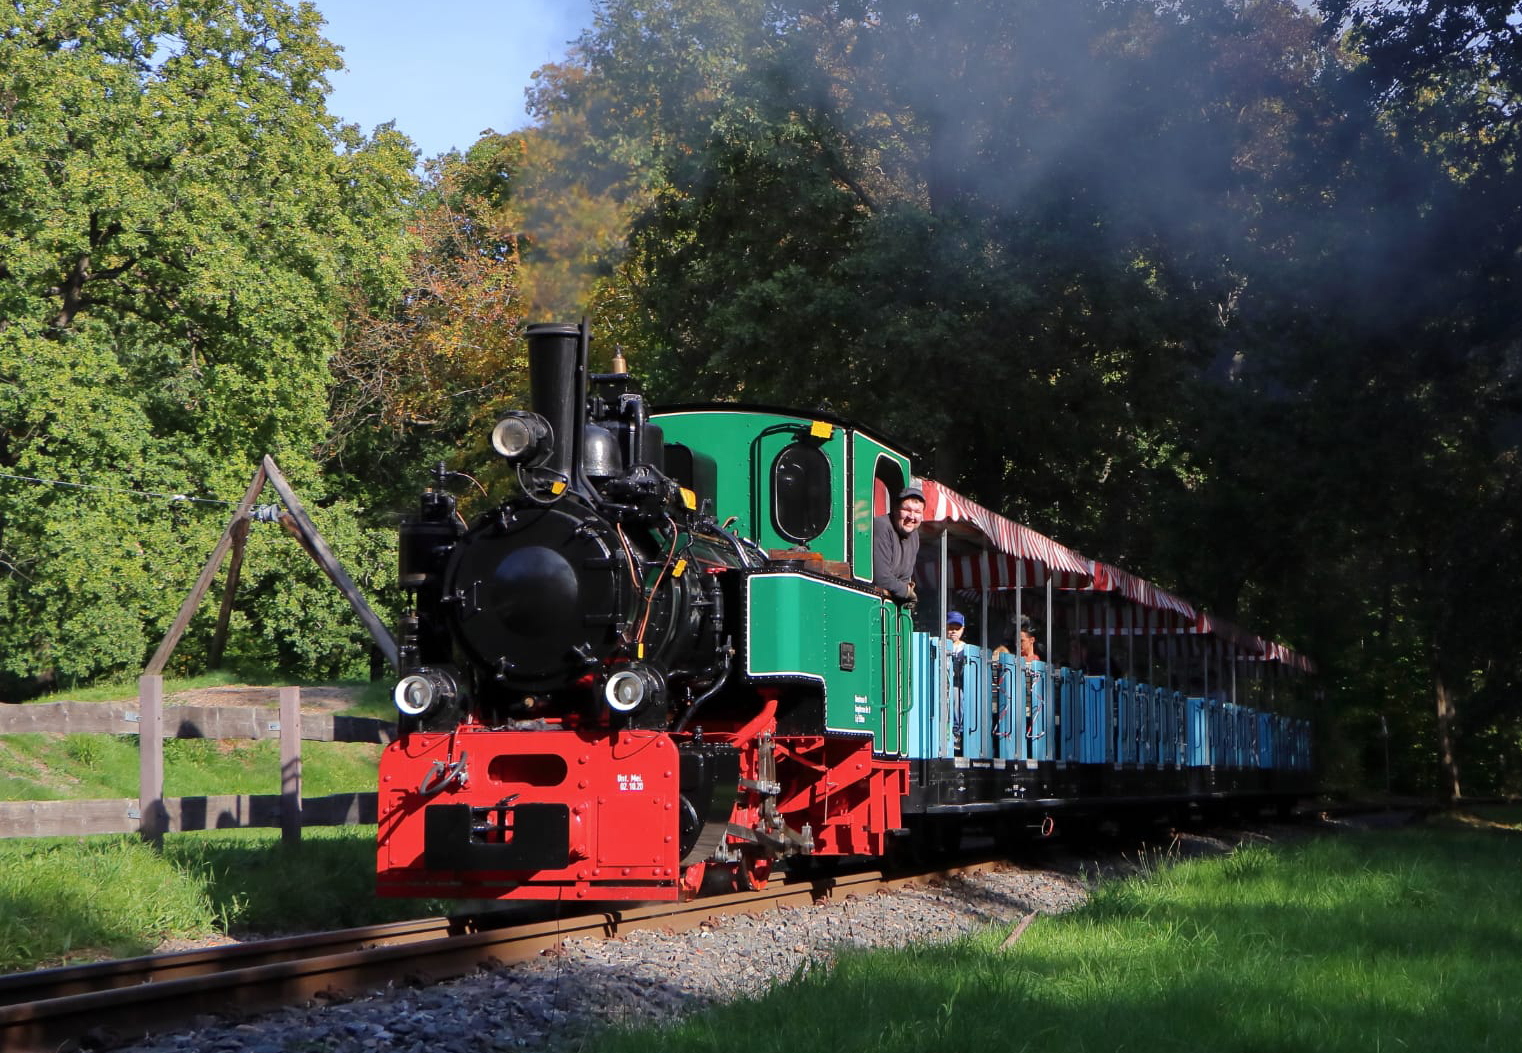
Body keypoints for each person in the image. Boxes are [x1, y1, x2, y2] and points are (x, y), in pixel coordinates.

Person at [871, 485, 924, 603]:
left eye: (917, 512)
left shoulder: (914, 536)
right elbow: (881, 578)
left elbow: (905, 577)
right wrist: (907, 592)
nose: (911, 517)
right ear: (895, 509)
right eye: (906, 510)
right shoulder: (882, 526)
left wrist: (904, 590)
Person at [936, 611, 969, 753]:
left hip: (956, 686)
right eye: (950, 627)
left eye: (957, 627)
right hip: (939, 685)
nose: (953, 631)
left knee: (956, 695)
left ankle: (957, 733)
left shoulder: (965, 649)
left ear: (963, 629)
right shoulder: (938, 644)